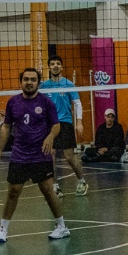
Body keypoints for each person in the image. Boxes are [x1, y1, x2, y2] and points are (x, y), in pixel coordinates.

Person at [0, 68, 70, 244]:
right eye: (26, 79)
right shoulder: (13, 102)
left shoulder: (46, 102)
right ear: (21, 82)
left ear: (38, 83)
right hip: (19, 155)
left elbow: (56, 125)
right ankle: (3, 229)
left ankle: (61, 226)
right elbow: (6, 127)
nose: (29, 82)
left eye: (33, 79)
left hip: (40, 155)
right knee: (13, 192)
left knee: (48, 191)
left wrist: (50, 137)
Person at [43, 54, 88, 196]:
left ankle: (82, 181)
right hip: (50, 125)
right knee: (51, 155)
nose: (55, 66)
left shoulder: (68, 84)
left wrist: (79, 122)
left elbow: (78, 103)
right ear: (49, 67)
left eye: (58, 63)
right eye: (52, 64)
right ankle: (55, 186)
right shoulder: (44, 86)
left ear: (61, 67)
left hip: (65, 123)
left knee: (69, 156)